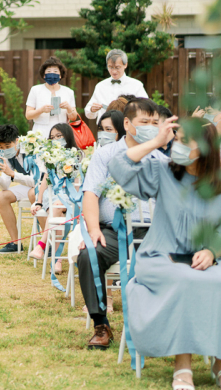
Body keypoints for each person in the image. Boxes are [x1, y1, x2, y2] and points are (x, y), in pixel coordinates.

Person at [109, 114, 221, 390]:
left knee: (220, 281)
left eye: (185, 141)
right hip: (162, 255)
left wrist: (211, 251)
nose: (176, 146)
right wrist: (156, 142)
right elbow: (118, 165)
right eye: (176, 140)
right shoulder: (162, 171)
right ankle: (182, 365)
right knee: (185, 280)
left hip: (212, 258)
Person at [76, 100, 154, 351]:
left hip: (154, 231)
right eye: (145, 122)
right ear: (128, 124)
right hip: (113, 229)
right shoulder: (106, 155)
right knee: (89, 255)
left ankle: (156, 326)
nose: (150, 128)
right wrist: (94, 230)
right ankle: (101, 325)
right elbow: (90, 195)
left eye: (155, 123)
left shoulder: (160, 156)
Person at [29, 123, 79, 271]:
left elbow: (77, 182)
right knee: (56, 208)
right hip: (53, 193)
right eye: (52, 137)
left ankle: (42, 246)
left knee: (58, 206)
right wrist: (38, 201)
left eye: (59, 136)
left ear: (67, 136)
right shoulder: (49, 156)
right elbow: (45, 179)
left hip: (70, 193)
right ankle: (56, 260)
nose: (56, 139)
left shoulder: (77, 155)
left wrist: (76, 198)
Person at [0, 124, 36, 254]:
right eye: (1, 148)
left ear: (17, 141)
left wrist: (13, 174)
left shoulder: (32, 149)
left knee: (33, 192)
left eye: (8, 147)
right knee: (2, 196)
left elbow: (36, 181)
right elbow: (5, 186)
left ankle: (45, 244)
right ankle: (15, 243)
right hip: (27, 186)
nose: (5, 150)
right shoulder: (8, 156)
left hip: (41, 187)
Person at [84, 50, 148, 120]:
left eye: (117, 67)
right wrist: (92, 109)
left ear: (125, 65)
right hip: (105, 128)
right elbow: (88, 113)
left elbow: (146, 108)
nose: (114, 71)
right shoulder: (100, 86)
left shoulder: (136, 85)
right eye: (110, 67)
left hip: (127, 127)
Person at [25, 56, 78, 136]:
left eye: (55, 71)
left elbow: (74, 117)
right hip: (41, 131)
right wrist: (41, 110)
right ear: (44, 75)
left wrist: (68, 108)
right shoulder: (35, 90)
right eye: (49, 71)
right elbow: (28, 115)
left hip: (62, 131)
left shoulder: (68, 92)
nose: (52, 74)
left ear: (60, 75)